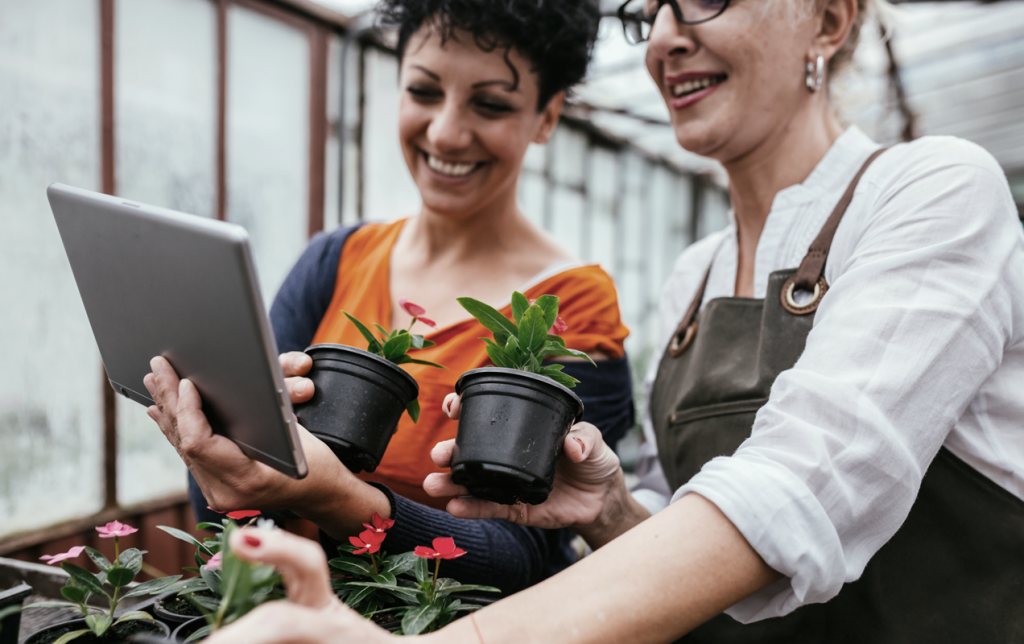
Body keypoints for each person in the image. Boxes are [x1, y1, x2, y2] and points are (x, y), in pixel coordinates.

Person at [177, 0, 1024, 641]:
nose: (663, 36)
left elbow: (801, 491)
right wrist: (611, 507)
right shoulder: (694, 276)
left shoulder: (931, 190)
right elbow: (694, 538)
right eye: (647, 10)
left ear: (830, 19)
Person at [153, 0, 634, 596]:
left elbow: (524, 555)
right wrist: (217, 435)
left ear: (547, 115)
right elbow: (231, 488)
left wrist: (334, 496)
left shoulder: (573, 307)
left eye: (490, 104)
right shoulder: (336, 259)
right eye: (424, 91)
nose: (446, 132)